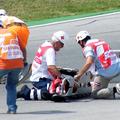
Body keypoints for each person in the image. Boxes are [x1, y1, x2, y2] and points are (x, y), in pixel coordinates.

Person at [17, 30, 69, 101]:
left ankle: (40, 90)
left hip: (38, 76)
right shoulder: (50, 51)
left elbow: (46, 64)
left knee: (58, 87)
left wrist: (57, 70)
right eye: (62, 45)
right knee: (51, 92)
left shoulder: (46, 44)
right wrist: (62, 77)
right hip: (41, 79)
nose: (62, 47)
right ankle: (25, 92)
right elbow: (51, 67)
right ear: (57, 42)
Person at [74, 30, 120, 99]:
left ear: (81, 41)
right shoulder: (101, 41)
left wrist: (79, 76)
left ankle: (115, 89)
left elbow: (89, 62)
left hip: (106, 72)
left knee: (95, 94)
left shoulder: (87, 47)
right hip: (117, 66)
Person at [0, 20, 28, 114]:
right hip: (18, 63)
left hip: (3, 63)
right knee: (11, 85)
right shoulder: (13, 32)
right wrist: (24, 61)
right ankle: (12, 108)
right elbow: (23, 48)